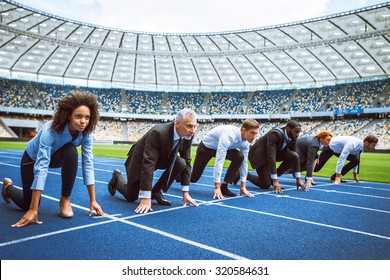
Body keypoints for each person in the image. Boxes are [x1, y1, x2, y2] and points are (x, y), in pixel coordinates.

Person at [2, 91, 105, 228]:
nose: (83, 121)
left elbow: (88, 164)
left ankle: (65, 199)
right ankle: (8, 188)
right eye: (78, 116)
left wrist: (93, 200)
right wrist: (33, 209)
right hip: (32, 159)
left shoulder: (86, 133)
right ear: (68, 115)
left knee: (71, 151)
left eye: (87, 117)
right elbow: (41, 166)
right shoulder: (51, 130)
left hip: (56, 157)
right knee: (28, 204)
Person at [107, 109, 198, 214]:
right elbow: (148, 163)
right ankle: (117, 176)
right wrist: (146, 197)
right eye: (189, 126)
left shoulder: (188, 135)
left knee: (181, 162)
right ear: (177, 123)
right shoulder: (158, 133)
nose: (193, 130)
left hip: (162, 157)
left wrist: (185, 192)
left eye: (195, 126)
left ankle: (156, 191)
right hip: (140, 159)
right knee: (131, 196)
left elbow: (187, 160)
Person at [190, 119, 259, 199]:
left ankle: (224, 187)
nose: (254, 137)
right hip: (206, 148)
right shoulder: (229, 135)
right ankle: (178, 174)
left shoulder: (246, 142)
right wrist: (216, 187)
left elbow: (244, 163)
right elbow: (219, 161)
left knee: (240, 157)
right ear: (244, 130)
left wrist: (243, 186)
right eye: (252, 133)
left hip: (219, 147)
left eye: (256, 133)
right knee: (193, 178)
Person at [247, 120, 307, 193]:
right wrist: (275, 180)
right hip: (259, 156)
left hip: (274, 154)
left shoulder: (293, 137)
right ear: (288, 129)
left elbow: (296, 157)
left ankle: (272, 178)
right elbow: (271, 156)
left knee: (294, 156)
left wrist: (298, 179)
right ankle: (244, 174)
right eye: (296, 131)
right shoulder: (275, 134)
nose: (298, 134)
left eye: (299, 132)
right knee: (265, 185)